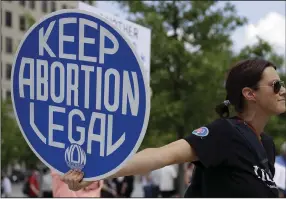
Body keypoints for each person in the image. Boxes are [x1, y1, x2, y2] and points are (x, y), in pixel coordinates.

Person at [60, 58, 286, 197]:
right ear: (249, 93)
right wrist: (97, 172)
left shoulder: (266, 144)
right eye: (276, 85)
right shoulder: (224, 133)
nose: (283, 90)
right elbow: (160, 155)